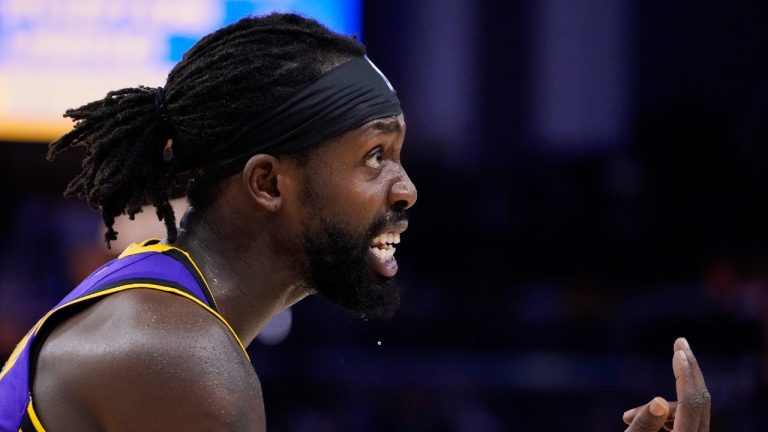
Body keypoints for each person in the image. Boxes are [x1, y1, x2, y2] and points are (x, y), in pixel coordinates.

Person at [0, 13, 709, 432]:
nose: (408, 191)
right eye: (375, 157)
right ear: (269, 183)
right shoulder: (179, 357)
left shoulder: (163, 309)